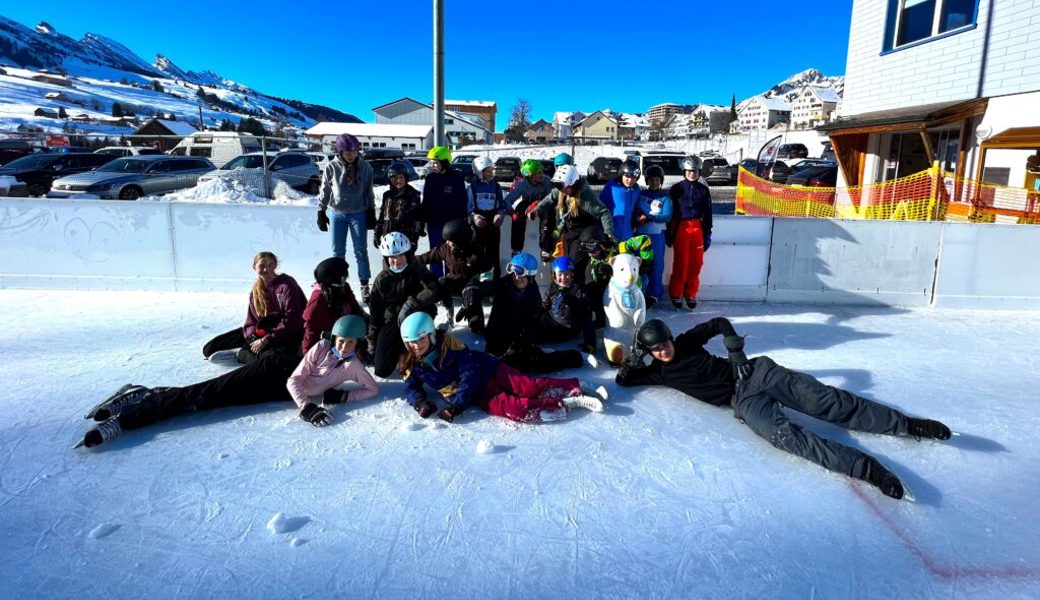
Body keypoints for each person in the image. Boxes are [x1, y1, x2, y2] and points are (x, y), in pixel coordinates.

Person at [615, 318, 953, 500]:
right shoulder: (656, 370)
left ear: (672, 338)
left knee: (826, 402)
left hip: (756, 373)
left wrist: (735, 352)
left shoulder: (687, 341)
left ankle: (907, 426)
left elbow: (718, 323)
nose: (663, 352)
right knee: (787, 438)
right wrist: (632, 361)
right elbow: (624, 381)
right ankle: (869, 470)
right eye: (655, 350)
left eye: (665, 344)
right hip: (742, 401)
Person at [76, 316, 378, 448]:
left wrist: (339, 398)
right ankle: (128, 418)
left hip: (280, 391)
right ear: (333, 338)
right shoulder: (320, 348)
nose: (346, 346)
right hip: (275, 372)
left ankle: (147, 394)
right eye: (342, 340)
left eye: (352, 343)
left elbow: (372, 388)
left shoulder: (353, 366)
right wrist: (308, 408)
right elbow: (295, 381)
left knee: (214, 398)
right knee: (208, 394)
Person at [398, 312, 604, 424]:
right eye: (411, 342)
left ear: (430, 335)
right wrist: (419, 403)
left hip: (489, 370)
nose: (417, 346)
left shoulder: (450, 346)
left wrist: (458, 404)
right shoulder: (410, 362)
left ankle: (578, 385)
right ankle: (569, 402)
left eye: (420, 339)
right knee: (516, 409)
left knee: (528, 387)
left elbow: (470, 373)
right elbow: (411, 387)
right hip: (476, 395)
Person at [482, 253, 585, 373]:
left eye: (521, 275)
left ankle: (571, 357)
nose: (516, 278)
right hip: (497, 339)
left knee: (531, 364)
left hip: (517, 340)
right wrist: (473, 288)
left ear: (530, 277)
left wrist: (522, 342)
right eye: (514, 273)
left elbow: (532, 324)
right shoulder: (505, 283)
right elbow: (489, 287)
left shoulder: (533, 295)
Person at [202, 251, 307, 365]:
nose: (266, 270)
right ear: (254, 267)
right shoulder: (256, 292)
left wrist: (266, 340)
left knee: (271, 359)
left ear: (275, 265)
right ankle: (247, 351)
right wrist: (253, 338)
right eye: (262, 266)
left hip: (284, 334)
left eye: (270, 265)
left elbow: (292, 321)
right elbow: (251, 321)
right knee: (210, 349)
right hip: (263, 332)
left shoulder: (286, 285)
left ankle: (243, 354)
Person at [367, 232, 440, 378]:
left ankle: (422, 346)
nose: (397, 260)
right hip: (393, 322)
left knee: (427, 362)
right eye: (392, 257)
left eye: (400, 255)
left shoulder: (417, 268)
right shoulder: (382, 280)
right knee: (382, 370)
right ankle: (402, 347)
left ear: (407, 254)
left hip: (418, 318)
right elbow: (375, 313)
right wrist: (372, 341)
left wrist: (414, 302)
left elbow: (435, 288)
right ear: (386, 258)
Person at [317, 133, 376, 303]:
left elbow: (368, 191)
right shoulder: (331, 167)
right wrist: (321, 211)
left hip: (359, 213)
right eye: (348, 152)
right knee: (338, 252)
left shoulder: (365, 167)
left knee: (361, 251)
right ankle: (339, 286)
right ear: (340, 151)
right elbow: (325, 190)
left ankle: (365, 286)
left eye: (355, 151)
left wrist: (371, 211)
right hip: (337, 213)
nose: (352, 155)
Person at [417, 219, 494, 333]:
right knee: (440, 284)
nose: (447, 242)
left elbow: (487, 273)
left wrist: (474, 287)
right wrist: (409, 261)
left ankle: (472, 314)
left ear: (460, 241)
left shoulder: (477, 252)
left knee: (476, 325)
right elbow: (429, 256)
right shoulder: (447, 248)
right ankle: (448, 309)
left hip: (471, 288)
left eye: (451, 241)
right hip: (453, 281)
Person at [529, 164, 614, 266]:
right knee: (567, 263)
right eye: (557, 185)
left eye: (561, 186)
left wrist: (608, 233)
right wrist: (536, 210)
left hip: (583, 235)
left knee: (573, 266)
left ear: (572, 184)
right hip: (569, 233)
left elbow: (604, 213)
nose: (560, 189)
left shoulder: (586, 198)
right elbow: (549, 199)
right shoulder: (562, 191)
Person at [666, 156, 712, 310]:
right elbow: (670, 212)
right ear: (684, 172)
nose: (692, 174)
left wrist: (707, 233)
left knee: (696, 264)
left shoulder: (703, 190)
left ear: (699, 172)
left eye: (695, 171)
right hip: (681, 227)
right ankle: (676, 293)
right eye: (689, 171)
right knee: (681, 263)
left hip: (697, 227)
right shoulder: (676, 189)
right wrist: (669, 232)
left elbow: (708, 212)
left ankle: (691, 293)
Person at [301, 257, 369, 358]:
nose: (344, 282)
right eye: (341, 279)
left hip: (348, 331)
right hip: (332, 342)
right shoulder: (318, 303)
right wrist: (309, 360)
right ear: (330, 282)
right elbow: (310, 334)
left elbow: (356, 311)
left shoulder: (343, 289)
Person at [420, 146, 469, 278]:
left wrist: (462, 221)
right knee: (435, 254)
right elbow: (426, 201)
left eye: (435, 162)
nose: (433, 165)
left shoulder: (457, 178)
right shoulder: (430, 178)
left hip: (451, 226)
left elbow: (462, 202)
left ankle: (451, 282)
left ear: (445, 162)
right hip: (434, 224)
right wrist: (421, 220)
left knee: (451, 255)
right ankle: (436, 282)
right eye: (431, 162)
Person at [540, 256, 598, 354]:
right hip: (552, 326)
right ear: (554, 275)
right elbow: (543, 307)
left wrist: (590, 343)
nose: (563, 278)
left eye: (567, 274)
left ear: (572, 274)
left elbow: (586, 318)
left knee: (566, 301)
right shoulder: (552, 288)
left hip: (568, 331)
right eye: (560, 274)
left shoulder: (579, 291)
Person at [633, 164, 672, 306]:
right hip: (640, 236)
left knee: (656, 266)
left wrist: (649, 218)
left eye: (657, 180)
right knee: (641, 264)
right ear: (646, 180)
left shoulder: (665, 197)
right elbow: (635, 210)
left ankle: (655, 294)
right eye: (651, 179)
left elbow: (666, 216)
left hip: (656, 236)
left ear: (661, 180)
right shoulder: (641, 195)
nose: (654, 182)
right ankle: (640, 292)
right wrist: (637, 217)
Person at [467, 156, 508, 279]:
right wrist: (474, 216)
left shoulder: (496, 186)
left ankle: (495, 280)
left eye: (491, 170)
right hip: (478, 222)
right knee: (477, 253)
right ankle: (476, 279)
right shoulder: (472, 187)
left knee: (494, 253)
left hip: (492, 221)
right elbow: (468, 207)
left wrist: (500, 214)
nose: (491, 173)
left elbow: (502, 204)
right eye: (488, 171)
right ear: (479, 172)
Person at [503, 159, 554, 257]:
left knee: (549, 213)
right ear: (530, 176)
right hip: (528, 205)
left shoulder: (547, 180)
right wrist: (511, 212)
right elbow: (508, 200)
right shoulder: (523, 185)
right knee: (519, 209)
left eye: (542, 172)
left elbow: (552, 198)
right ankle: (517, 249)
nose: (542, 174)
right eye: (538, 173)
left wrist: (539, 203)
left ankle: (545, 248)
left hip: (544, 204)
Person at [373, 160, 425, 249]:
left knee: (405, 262)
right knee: (388, 262)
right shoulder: (387, 195)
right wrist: (377, 232)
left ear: (406, 178)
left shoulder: (413, 194)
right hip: (388, 237)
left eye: (401, 177)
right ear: (390, 179)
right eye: (395, 178)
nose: (399, 180)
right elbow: (383, 215)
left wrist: (414, 239)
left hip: (406, 238)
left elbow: (418, 218)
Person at [600, 160, 642, 242]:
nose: (630, 180)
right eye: (627, 177)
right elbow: (600, 207)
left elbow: (637, 207)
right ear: (621, 174)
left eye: (633, 177)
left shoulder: (636, 190)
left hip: (628, 236)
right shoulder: (611, 187)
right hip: (611, 234)